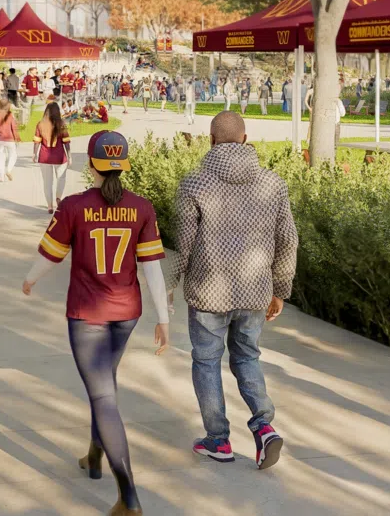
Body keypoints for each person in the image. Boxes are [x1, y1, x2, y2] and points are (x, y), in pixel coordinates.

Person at [22, 131, 169, 516]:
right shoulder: (142, 207)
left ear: (91, 165)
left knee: (103, 394)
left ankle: (129, 498)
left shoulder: (72, 206)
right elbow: (152, 267)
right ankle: (93, 456)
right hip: (127, 313)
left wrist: (31, 278)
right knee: (103, 384)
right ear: (125, 165)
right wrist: (165, 319)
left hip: (87, 314)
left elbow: (51, 256)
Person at [171, 111, 295, 470]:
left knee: (207, 361)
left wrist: (168, 285)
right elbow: (288, 239)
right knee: (247, 358)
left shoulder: (194, 184)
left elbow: (183, 243)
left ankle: (218, 440)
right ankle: (264, 426)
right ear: (245, 137)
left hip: (209, 293)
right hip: (255, 291)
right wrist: (280, 288)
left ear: (211, 140)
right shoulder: (273, 184)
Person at [37, 100, 73, 213]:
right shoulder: (61, 124)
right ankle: (58, 197)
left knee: (47, 182)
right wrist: (70, 156)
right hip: (59, 156)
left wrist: (34, 154)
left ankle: (49, 205)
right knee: (61, 178)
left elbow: (37, 141)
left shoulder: (41, 124)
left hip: (44, 156)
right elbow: (66, 141)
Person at [0, 96, 21, 181]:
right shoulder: (10, 115)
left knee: (1, 158)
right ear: (7, 105)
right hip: (9, 138)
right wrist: (17, 137)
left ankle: (2, 177)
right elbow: (13, 127)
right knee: (13, 155)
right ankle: (9, 170)